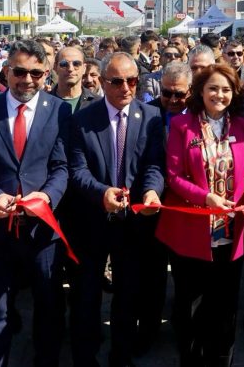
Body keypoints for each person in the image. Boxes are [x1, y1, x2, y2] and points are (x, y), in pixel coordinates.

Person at [0, 39, 71, 367]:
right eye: (20, 72)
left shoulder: (59, 110)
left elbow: (61, 166)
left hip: (43, 230)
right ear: (6, 71)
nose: (27, 80)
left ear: (47, 75)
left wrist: (47, 196)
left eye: (36, 74)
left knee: (49, 303)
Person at [65, 52, 166, 367]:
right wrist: (102, 193)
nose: (126, 87)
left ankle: (120, 355)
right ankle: (85, 355)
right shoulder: (83, 119)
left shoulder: (149, 116)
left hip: (133, 223)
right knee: (87, 294)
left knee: (127, 294)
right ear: (102, 81)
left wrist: (151, 190)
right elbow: (77, 170)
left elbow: (154, 164)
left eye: (133, 80)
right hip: (91, 220)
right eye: (118, 81)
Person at [155, 64, 244, 367]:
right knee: (190, 304)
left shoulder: (243, 126)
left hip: (231, 232)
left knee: (226, 306)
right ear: (200, 91)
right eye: (213, 88)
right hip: (192, 233)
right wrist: (206, 198)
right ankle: (190, 357)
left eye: (226, 89)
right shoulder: (181, 126)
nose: (219, 94)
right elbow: (173, 177)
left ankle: (222, 359)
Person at [54, 45, 99, 113]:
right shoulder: (41, 103)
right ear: (55, 67)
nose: (70, 69)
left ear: (84, 68)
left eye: (76, 64)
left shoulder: (98, 103)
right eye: (64, 64)